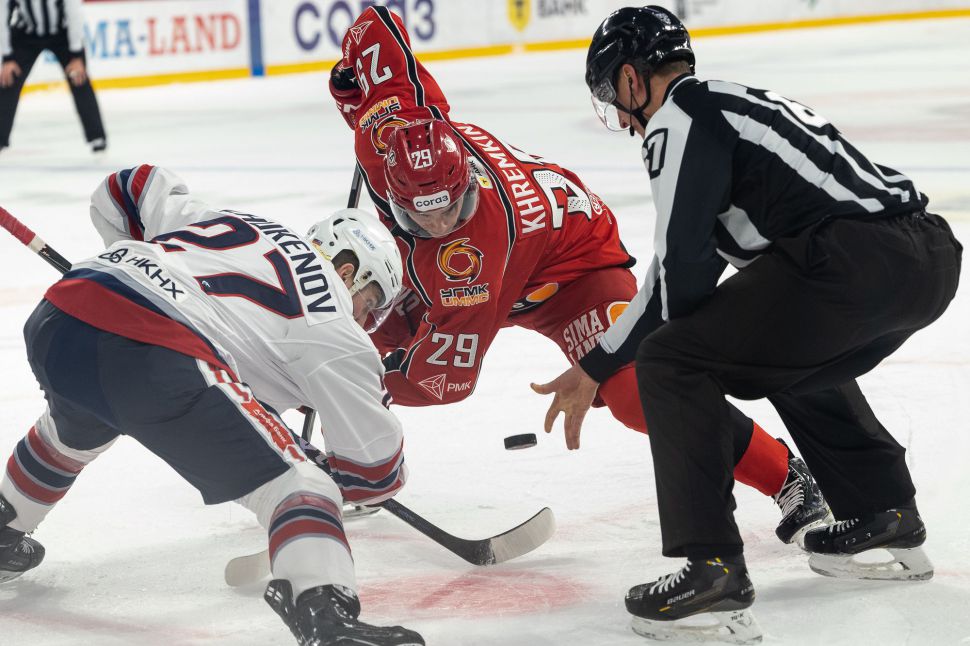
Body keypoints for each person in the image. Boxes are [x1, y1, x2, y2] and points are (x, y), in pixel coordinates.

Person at [328, 4, 829, 548]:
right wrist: (352, 90)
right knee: (350, 334)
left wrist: (352, 387)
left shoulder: (468, 260)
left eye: (452, 207)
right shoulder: (391, 129)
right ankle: (355, 458)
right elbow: (378, 24)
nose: (441, 223)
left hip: (572, 271)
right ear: (392, 187)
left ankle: (786, 475)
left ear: (466, 179)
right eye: (423, 216)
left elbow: (444, 379)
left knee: (634, 390)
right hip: (500, 268)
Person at [538, 5, 962, 642]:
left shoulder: (679, 118)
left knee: (671, 360)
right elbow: (683, 269)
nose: (623, 119)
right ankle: (884, 511)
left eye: (615, 99)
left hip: (849, 262)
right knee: (780, 345)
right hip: (926, 258)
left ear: (631, 78)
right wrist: (601, 361)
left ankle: (711, 568)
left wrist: (620, 362)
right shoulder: (728, 105)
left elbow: (680, 274)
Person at [0, 165, 424, 646]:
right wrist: (326, 467)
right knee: (301, 485)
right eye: (371, 304)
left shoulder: (240, 225)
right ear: (348, 272)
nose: (366, 320)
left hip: (61, 315)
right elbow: (375, 475)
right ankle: (326, 616)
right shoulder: (336, 329)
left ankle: (4, 525)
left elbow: (131, 185)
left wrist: (144, 270)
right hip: (156, 358)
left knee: (73, 429)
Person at [0, 0, 106, 154]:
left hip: (62, 34)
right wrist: (7, 57)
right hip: (26, 34)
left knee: (79, 78)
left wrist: (76, 55)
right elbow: (2, 15)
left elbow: (74, 13)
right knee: (8, 79)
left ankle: (97, 136)